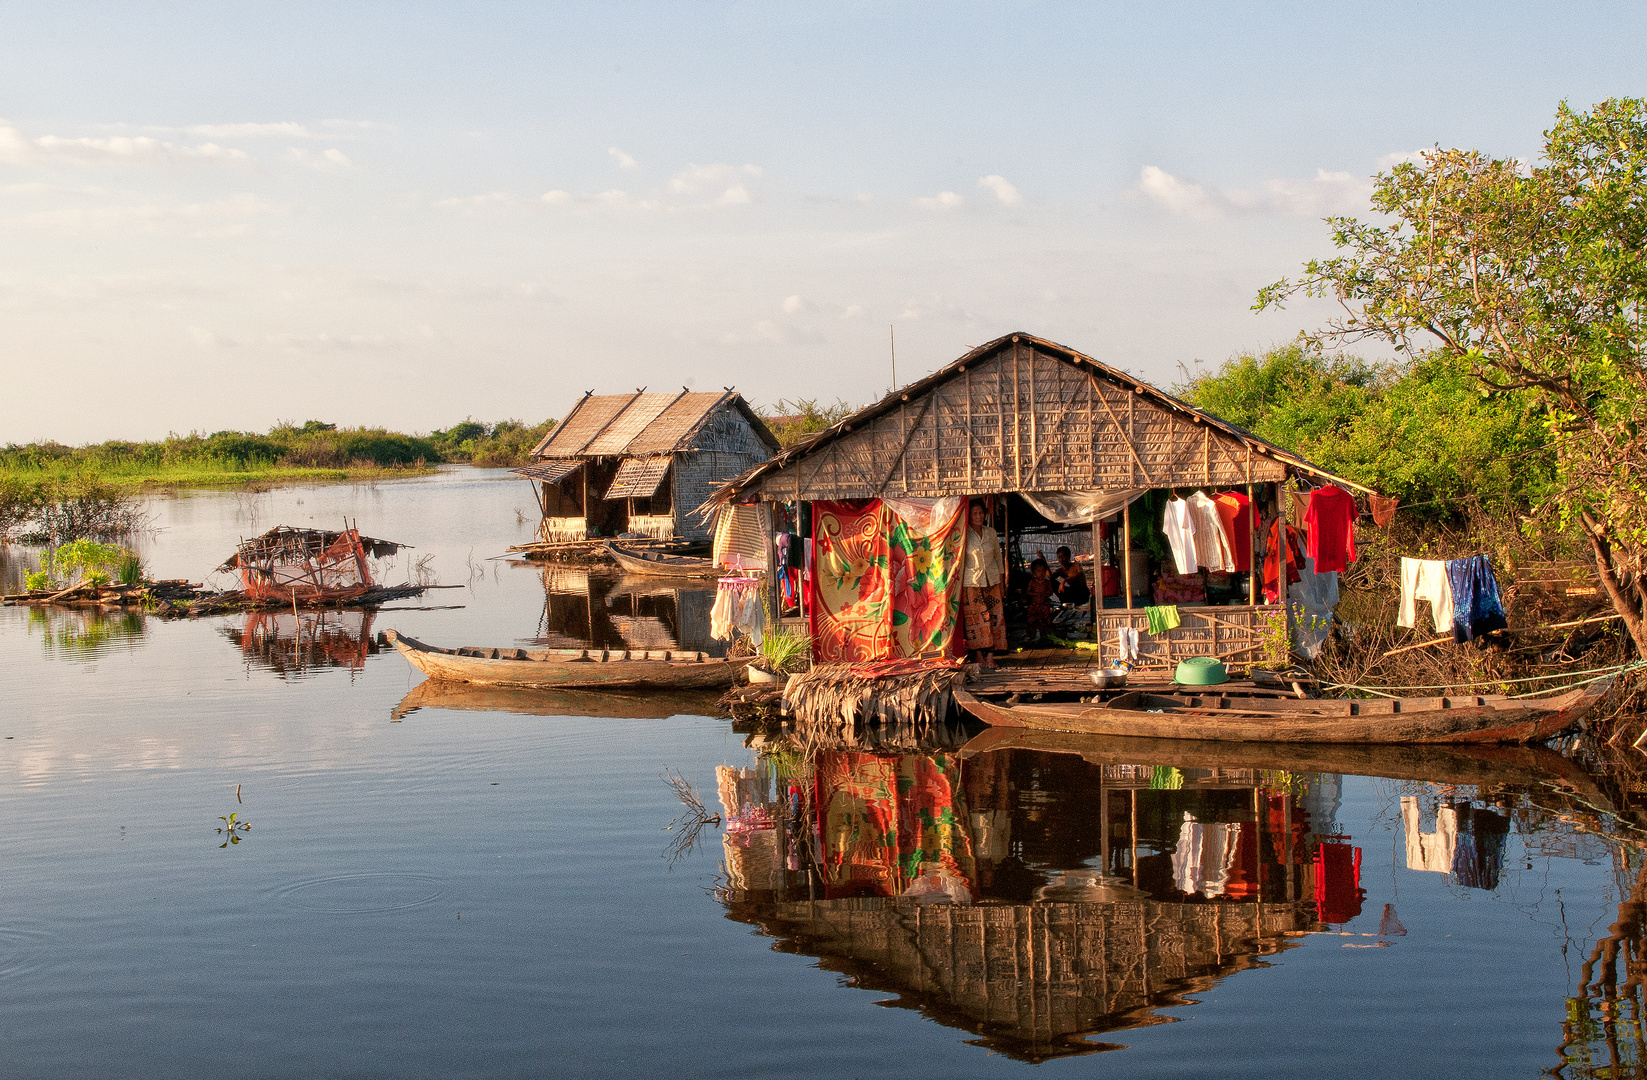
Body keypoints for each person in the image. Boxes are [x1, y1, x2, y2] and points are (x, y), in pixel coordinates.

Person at [962, 499, 1006, 667]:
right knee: (976, 622)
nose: (978, 516)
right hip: (971, 583)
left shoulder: (991, 533)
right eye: (974, 513)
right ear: (969, 516)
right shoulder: (964, 533)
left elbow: (997, 558)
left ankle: (990, 658)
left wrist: (1001, 582)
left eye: (981, 513)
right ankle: (979, 657)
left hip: (992, 580)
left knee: (995, 618)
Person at [1025, 557, 1055, 643]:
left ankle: (1044, 636)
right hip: (1034, 605)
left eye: (1043, 571)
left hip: (1044, 605)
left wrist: (1046, 594)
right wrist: (1035, 594)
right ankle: (1031, 636)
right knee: (1032, 621)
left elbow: (1051, 592)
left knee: (1044, 621)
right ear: (1033, 573)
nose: (1041, 573)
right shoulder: (1032, 582)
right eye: (1038, 571)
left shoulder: (1047, 582)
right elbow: (1028, 592)